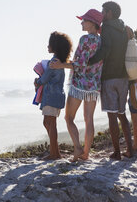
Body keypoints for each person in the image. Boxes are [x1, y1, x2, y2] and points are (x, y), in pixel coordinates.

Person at [50, 9, 103, 161]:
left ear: (92, 23)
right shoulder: (100, 41)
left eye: (84, 20)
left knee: (68, 118)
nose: (81, 22)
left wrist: (61, 66)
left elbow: (80, 64)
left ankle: (78, 149)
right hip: (93, 86)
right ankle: (85, 154)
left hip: (79, 84)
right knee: (89, 120)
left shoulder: (85, 39)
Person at [88, 1, 133, 160]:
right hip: (123, 77)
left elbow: (105, 49)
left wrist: (90, 61)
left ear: (110, 13)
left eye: (103, 11)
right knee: (122, 115)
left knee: (112, 116)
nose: (102, 15)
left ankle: (117, 152)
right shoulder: (124, 28)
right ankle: (130, 150)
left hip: (109, 77)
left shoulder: (107, 28)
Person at [34, 31, 72, 160]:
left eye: (49, 44)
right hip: (57, 95)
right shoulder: (60, 61)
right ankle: (55, 151)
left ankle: (54, 154)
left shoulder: (53, 62)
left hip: (51, 96)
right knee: (48, 122)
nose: (47, 46)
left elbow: (44, 79)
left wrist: (37, 82)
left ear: (55, 46)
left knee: (50, 123)